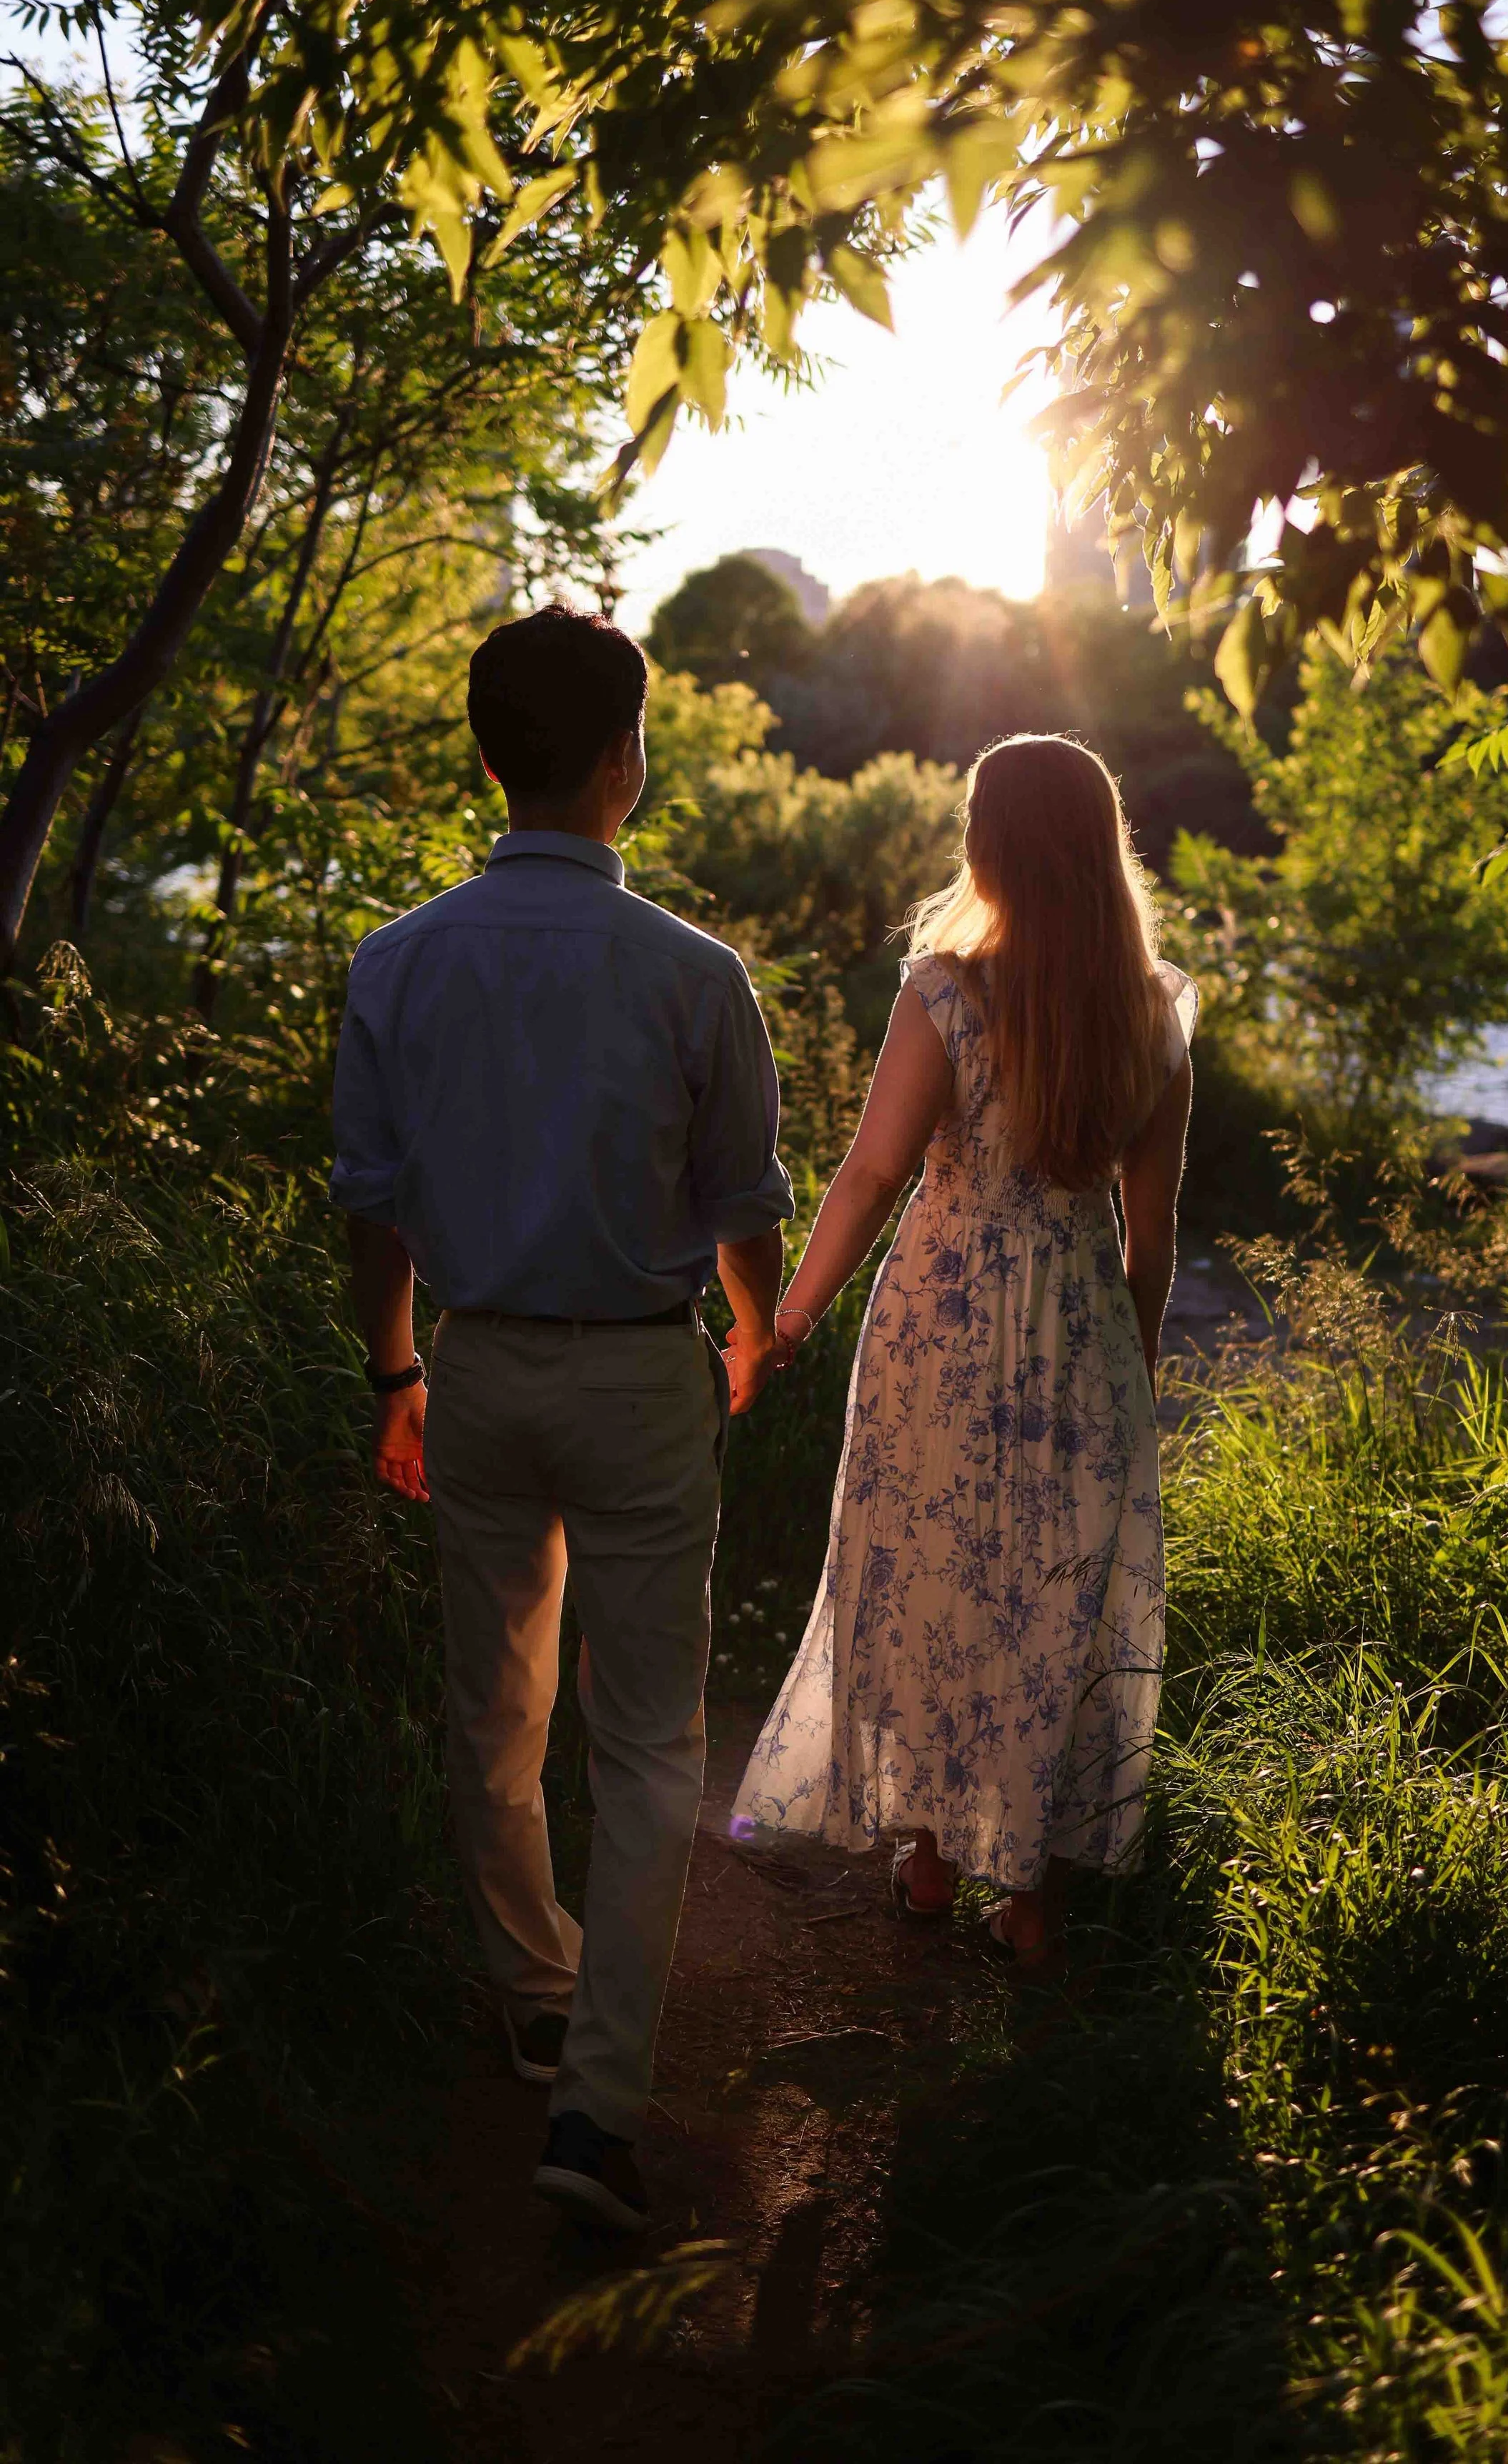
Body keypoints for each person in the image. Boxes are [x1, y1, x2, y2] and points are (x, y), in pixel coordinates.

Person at [330, 604, 793, 2233]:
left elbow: (372, 1205)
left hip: (473, 1366)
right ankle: (593, 2111)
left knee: (492, 1709)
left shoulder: (397, 960)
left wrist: (397, 1370)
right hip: (639, 1371)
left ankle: (533, 1990)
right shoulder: (694, 974)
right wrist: (754, 1328)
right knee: (651, 1742)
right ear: (622, 761)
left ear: (484, 756)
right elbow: (740, 1203)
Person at [733, 733, 1195, 1969]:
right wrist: (1133, 1374)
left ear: (987, 846)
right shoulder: (1153, 1015)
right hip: (1081, 1329)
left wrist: (789, 1322)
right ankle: (1031, 1894)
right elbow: (1151, 1240)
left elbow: (875, 1173)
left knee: (929, 1566)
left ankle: (929, 1858)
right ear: (1102, 851)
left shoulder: (945, 988)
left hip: (940, 1319)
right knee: (1049, 1589)